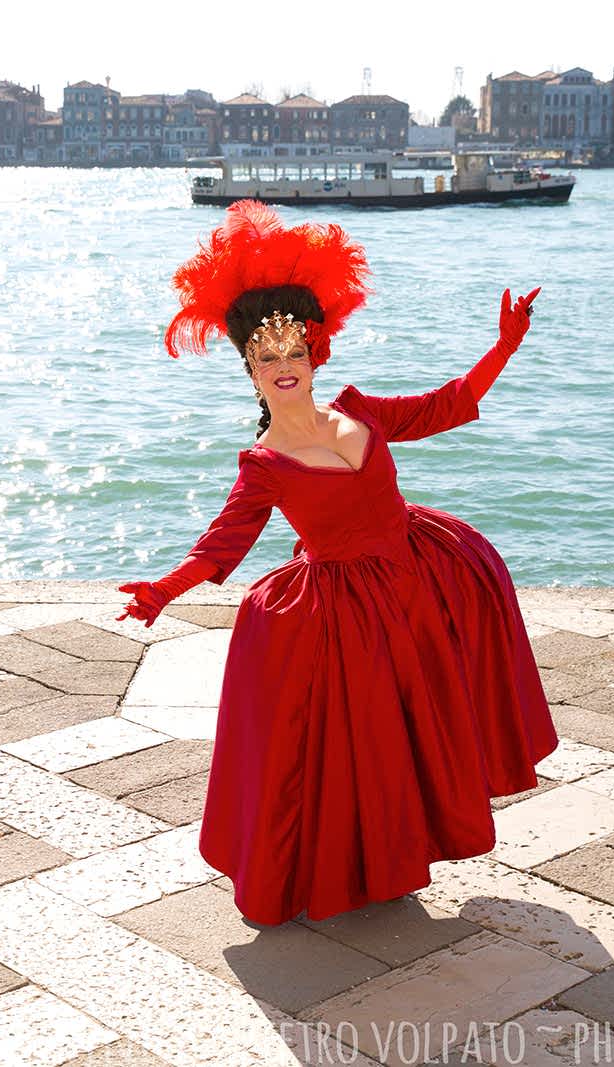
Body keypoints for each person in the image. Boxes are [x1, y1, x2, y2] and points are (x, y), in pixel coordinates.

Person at [117, 200, 559, 926]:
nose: (285, 366)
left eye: (296, 352)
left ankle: (415, 837)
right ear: (250, 369)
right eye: (268, 357)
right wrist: (163, 589)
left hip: (422, 577)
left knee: (428, 723)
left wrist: (504, 346)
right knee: (364, 743)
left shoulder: (361, 411)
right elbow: (222, 542)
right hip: (350, 614)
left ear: (315, 354)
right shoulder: (263, 463)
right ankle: (364, 861)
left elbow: (448, 404)